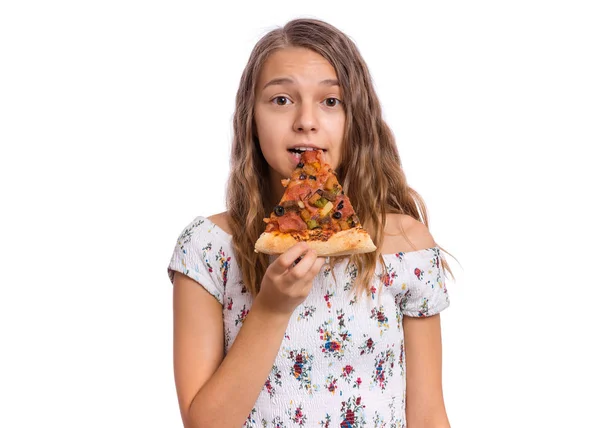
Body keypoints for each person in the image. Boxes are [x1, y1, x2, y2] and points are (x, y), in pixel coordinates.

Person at [167, 17, 455, 428]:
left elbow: (428, 415)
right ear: (251, 117)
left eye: (330, 101)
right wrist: (270, 309)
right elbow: (204, 424)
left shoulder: (407, 242)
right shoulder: (207, 248)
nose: (306, 120)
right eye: (281, 100)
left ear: (357, 119)